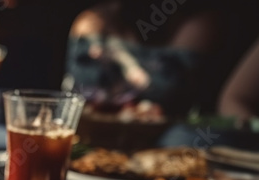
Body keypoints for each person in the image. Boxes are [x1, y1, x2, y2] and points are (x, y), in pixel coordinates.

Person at [62, 0, 221, 117]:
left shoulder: (197, 22)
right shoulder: (94, 21)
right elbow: (82, 95)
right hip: (95, 132)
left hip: (165, 138)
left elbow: (171, 95)